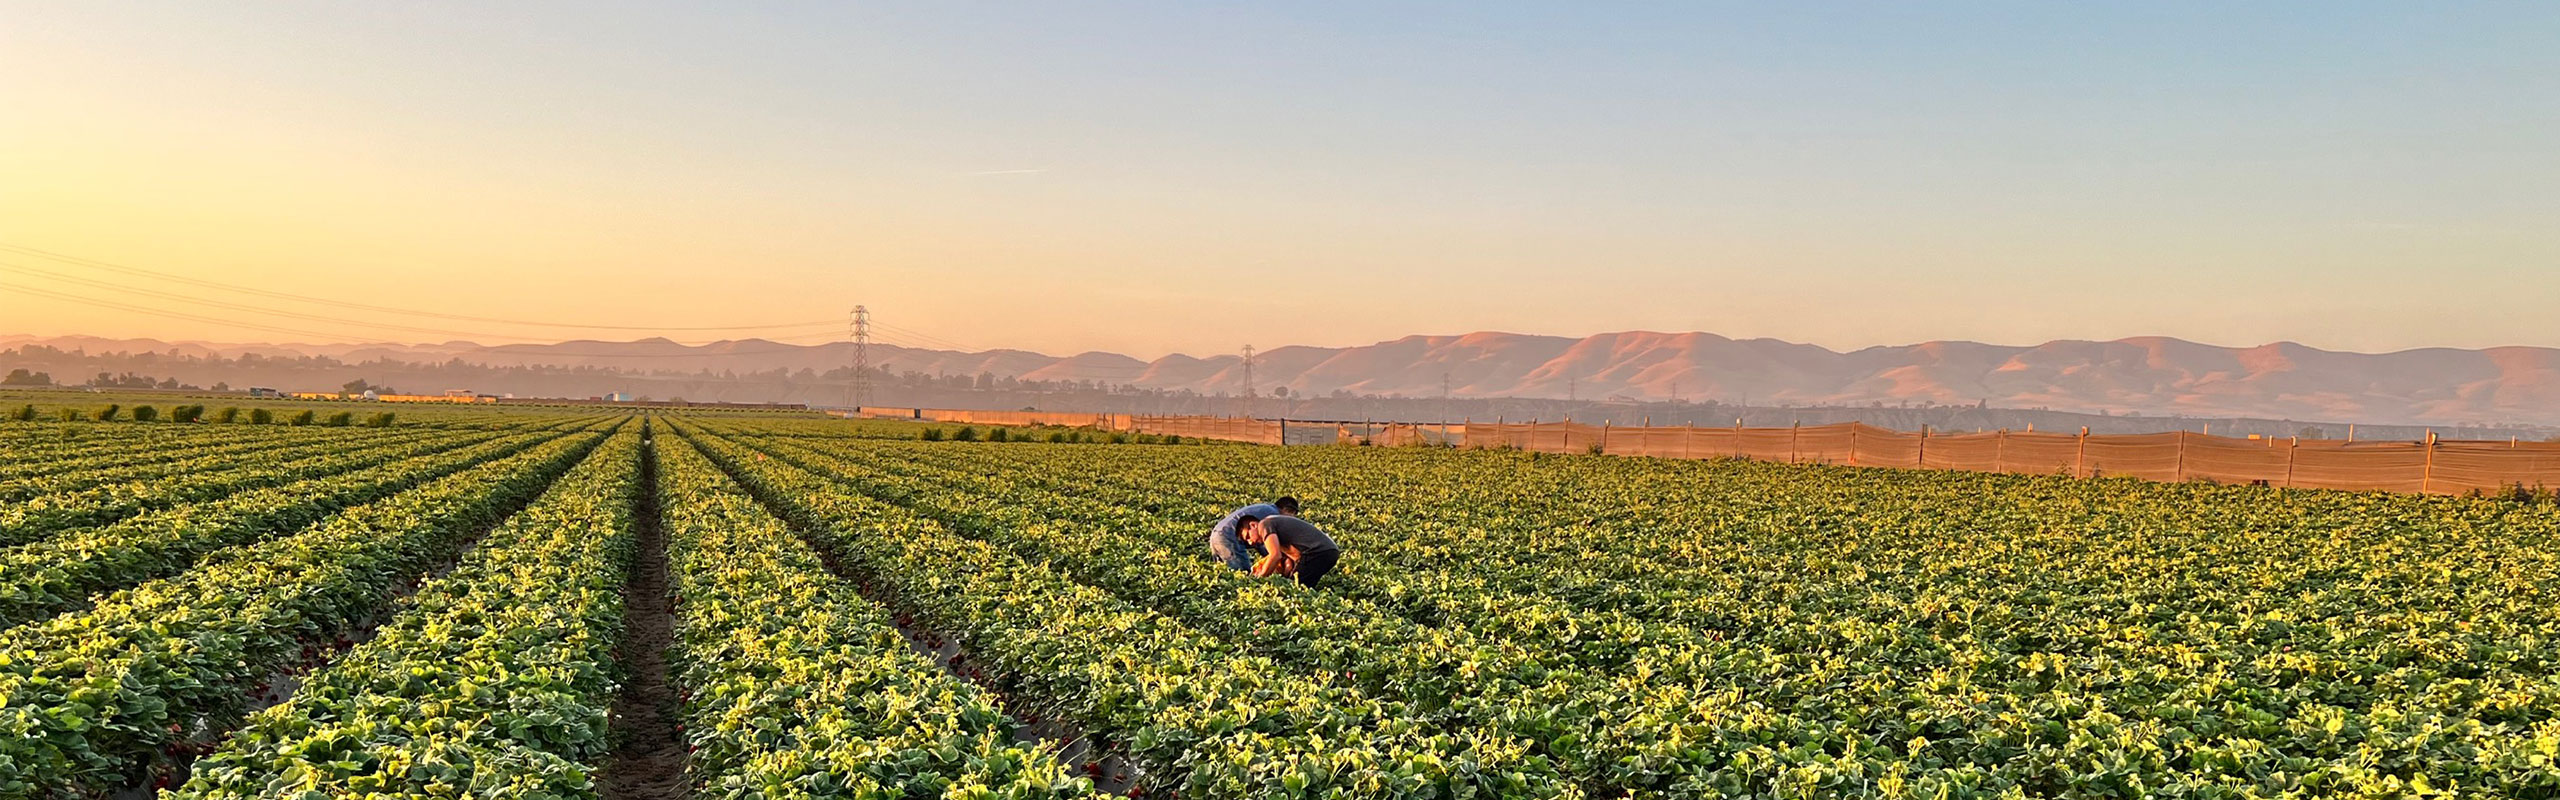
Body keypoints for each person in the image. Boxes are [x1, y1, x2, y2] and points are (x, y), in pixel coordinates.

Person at [1240, 512, 1341, 588]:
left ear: (1253, 525)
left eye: (1248, 536)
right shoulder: (1276, 532)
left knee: (1294, 590)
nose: (1250, 542)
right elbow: (1287, 559)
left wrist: (1260, 580)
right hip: (1329, 552)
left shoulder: (1264, 524)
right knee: (1304, 588)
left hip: (1315, 552)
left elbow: (1275, 555)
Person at [1207, 497, 1298, 571]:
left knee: (1223, 571)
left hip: (1216, 533)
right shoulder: (1273, 515)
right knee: (1242, 573)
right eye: (1292, 516)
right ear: (1287, 510)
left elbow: (1260, 542)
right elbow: (1268, 544)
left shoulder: (1265, 508)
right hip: (1228, 536)